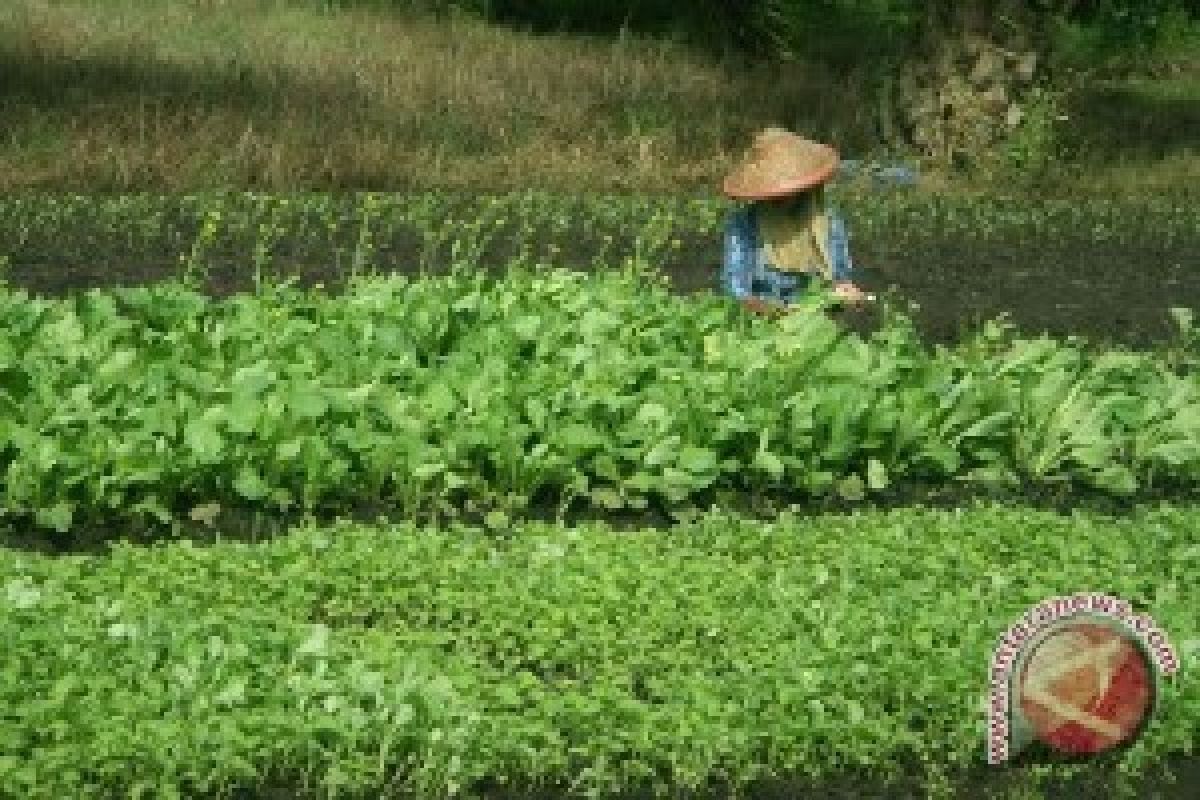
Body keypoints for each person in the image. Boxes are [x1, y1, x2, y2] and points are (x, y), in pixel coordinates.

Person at [720, 127, 872, 318]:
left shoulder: (829, 224)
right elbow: (736, 293)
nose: (778, 199)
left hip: (815, 326)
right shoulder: (745, 225)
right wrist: (780, 313)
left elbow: (839, 282)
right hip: (761, 328)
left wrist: (848, 295)